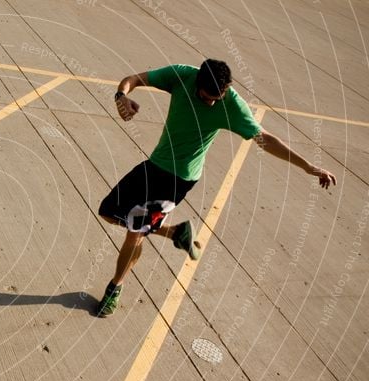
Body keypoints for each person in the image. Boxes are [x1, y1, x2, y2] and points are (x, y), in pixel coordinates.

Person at [95, 59, 336, 316]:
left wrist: (308, 166)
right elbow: (133, 79)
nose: (212, 103)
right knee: (108, 212)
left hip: (178, 180)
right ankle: (175, 232)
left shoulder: (231, 105)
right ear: (197, 82)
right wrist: (121, 96)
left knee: (135, 233)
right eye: (207, 97)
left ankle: (114, 289)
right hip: (154, 165)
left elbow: (264, 139)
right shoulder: (181, 76)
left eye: (217, 99)